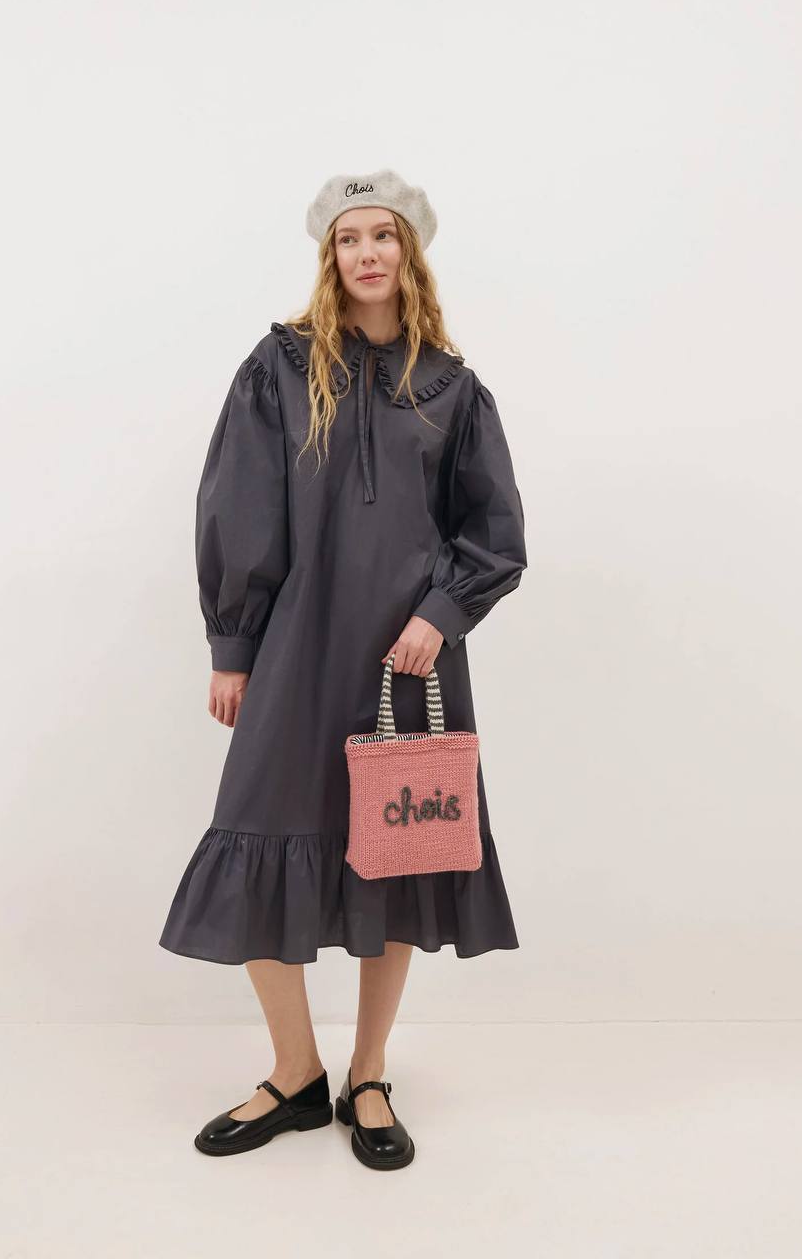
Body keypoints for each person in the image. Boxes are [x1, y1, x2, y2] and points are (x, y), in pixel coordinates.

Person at [159, 168, 528, 1170]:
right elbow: (238, 506)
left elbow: (494, 532)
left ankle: (368, 1073)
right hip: (295, 648)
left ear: (411, 251)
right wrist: (232, 645)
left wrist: (440, 616)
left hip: (408, 662)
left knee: (396, 855)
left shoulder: (451, 387)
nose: (368, 253)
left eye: (385, 235)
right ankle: (295, 1073)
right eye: (349, 238)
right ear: (330, 256)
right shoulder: (278, 369)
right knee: (253, 835)